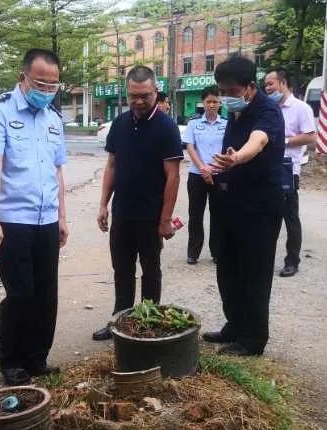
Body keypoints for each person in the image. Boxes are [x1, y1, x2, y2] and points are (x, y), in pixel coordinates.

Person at [0, 48, 69, 385]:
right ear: (23, 78)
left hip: (46, 219)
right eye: (40, 83)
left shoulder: (53, 120)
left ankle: (36, 357)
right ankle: (11, 360)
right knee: (21, 293)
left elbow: (57, 172)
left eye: (53, 85)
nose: (47, 91)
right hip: (13, 219)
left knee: (46, 292)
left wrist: (62, 217)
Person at [92, 65, 183, 341]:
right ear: (127, 92)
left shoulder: (166, 127)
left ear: (156, 91)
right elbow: (112, 165)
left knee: (150, 270)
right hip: (123, 212)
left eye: (145, 95)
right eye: (134, 95)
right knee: (122, 269)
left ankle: (148, 322)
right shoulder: (119, 124)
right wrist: (103, 204)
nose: (139, 101)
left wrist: (165, 219)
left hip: (150, 216)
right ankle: (120, 320)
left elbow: (173, 176)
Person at [203, 56, 285, 356]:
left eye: (232, 91)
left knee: (254, 271)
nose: (226, 97)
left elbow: (258, 141)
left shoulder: (268, 111)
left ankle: (253, 339)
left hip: (260, 203)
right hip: (231, 199)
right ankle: (235, 325)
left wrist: (236, 158)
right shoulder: (235, 110)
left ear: (251, 87)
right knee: (227, 266)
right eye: (222, 91)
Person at [263, 68, 317, 277]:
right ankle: (265, 259)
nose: (267, 88)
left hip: (287, 169)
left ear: (283, 83)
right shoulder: (269, 108)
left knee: (290, 218)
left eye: (270, 84)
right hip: (267, 168)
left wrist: (282, 141)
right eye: (266, 85)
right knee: (267, 217)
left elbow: (310, 137)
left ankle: (292, 261)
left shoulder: (300, 108)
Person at [181, 85, 226, 265]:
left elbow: (228, 149)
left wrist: (213, 168)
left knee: (218, 215)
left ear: (220, 103)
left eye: (215, 101)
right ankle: (193, 252)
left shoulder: (227, 125)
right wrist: (203, 168)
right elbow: (190, 147)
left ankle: (217, 252)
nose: (212, 105)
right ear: (203, 103)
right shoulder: (194, 124)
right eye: (209, 101)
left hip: (219, 175)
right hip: (197, 176)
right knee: (195, 215)